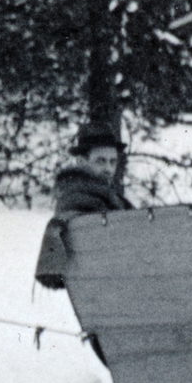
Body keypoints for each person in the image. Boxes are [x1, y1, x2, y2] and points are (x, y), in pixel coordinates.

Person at [34, 121, 133, 289]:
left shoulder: (114, 200)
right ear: (81, 161)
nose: (108, 169)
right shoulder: (75, 196)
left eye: (112, 161)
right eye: (101, 161)